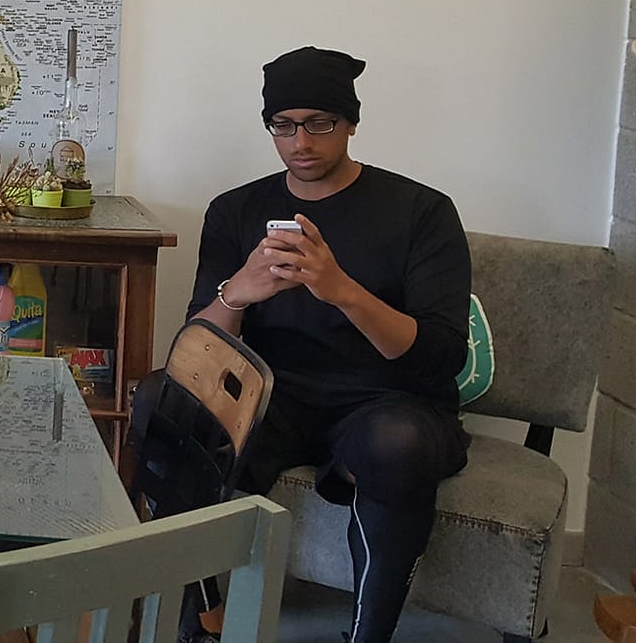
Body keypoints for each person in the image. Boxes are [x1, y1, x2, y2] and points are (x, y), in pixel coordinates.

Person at [184, 46, 470, 643]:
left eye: (320, 123)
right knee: (169, 407)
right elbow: (197, 352)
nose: (301, 142)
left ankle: (368, 636)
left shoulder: (422, 211)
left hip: (388, 398)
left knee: (397, 444)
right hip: (275, 394)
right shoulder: (236, 210)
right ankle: (204, 620)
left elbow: (442, 356)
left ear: (351, 123)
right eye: (284, 125)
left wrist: (341, 290)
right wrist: (238, 292)